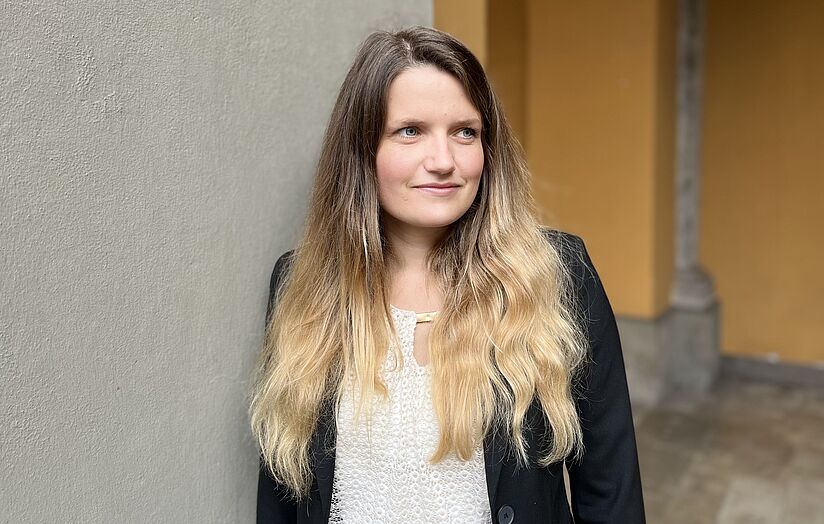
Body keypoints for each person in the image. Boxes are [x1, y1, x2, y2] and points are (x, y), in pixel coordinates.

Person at [250, 26, 645, 524]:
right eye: (410, 131)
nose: (443, 161)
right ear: (362, 151)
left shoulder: (557, 276)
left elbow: (611, 491)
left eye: (465, 132)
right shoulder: (301, 285)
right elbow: (281, 491)